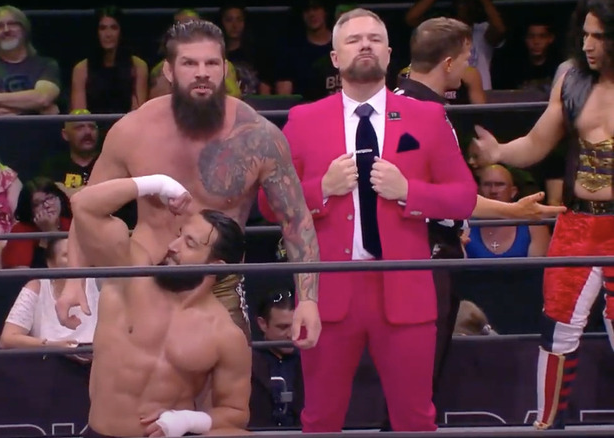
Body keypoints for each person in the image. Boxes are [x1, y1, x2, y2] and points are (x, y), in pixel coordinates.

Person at [258, 9, 478, 432]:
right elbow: (270, 205)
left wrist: (409, 192)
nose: (365, 45)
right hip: (329, 291)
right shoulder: (304, 120)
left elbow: (464, 197)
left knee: (416, 418)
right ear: (335, 56)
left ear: (390, 53)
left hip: (404, 289)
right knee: (320, 418)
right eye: (354, 39)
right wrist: (322, 187)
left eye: (375, 39)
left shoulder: (427, 117)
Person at [56, 20, 321, 348]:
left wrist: (308, 299)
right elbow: (87, 208)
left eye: (211, 63)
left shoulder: (258, 136)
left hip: (218, 285)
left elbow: (295, 220)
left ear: (224, 69)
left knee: (227, 392)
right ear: (168, 71)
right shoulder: (133, 130)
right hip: (143, 276)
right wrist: (73, 282)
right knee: (130, 391)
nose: (202, 72)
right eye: (189, 63)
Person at [390, 16, 566, 428]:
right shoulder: (421, 112)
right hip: (423, 256)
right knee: (418, 380)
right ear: (449, 63)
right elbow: (448, 198)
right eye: (468, 56)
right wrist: (516, 212)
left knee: (415, 381)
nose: (471, 66)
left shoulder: (400, 103)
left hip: (425, 250)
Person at [470, 0, 614, 430]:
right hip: (579, 221)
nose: (588, 45)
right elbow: (538, 142)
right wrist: (499, 152)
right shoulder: (572, 77)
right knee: (557, 330)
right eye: (584, 34)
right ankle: (548, 424)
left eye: (599, 36)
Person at [66, 174, 251, 438]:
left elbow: (236, 412)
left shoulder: (225, 334)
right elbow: (84, 204)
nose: (173, 246)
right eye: (179, 235)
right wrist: (156, 183)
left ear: (215, 266)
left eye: (189, 243)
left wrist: (188, 420)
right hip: (102, 431)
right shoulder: (132, 274)